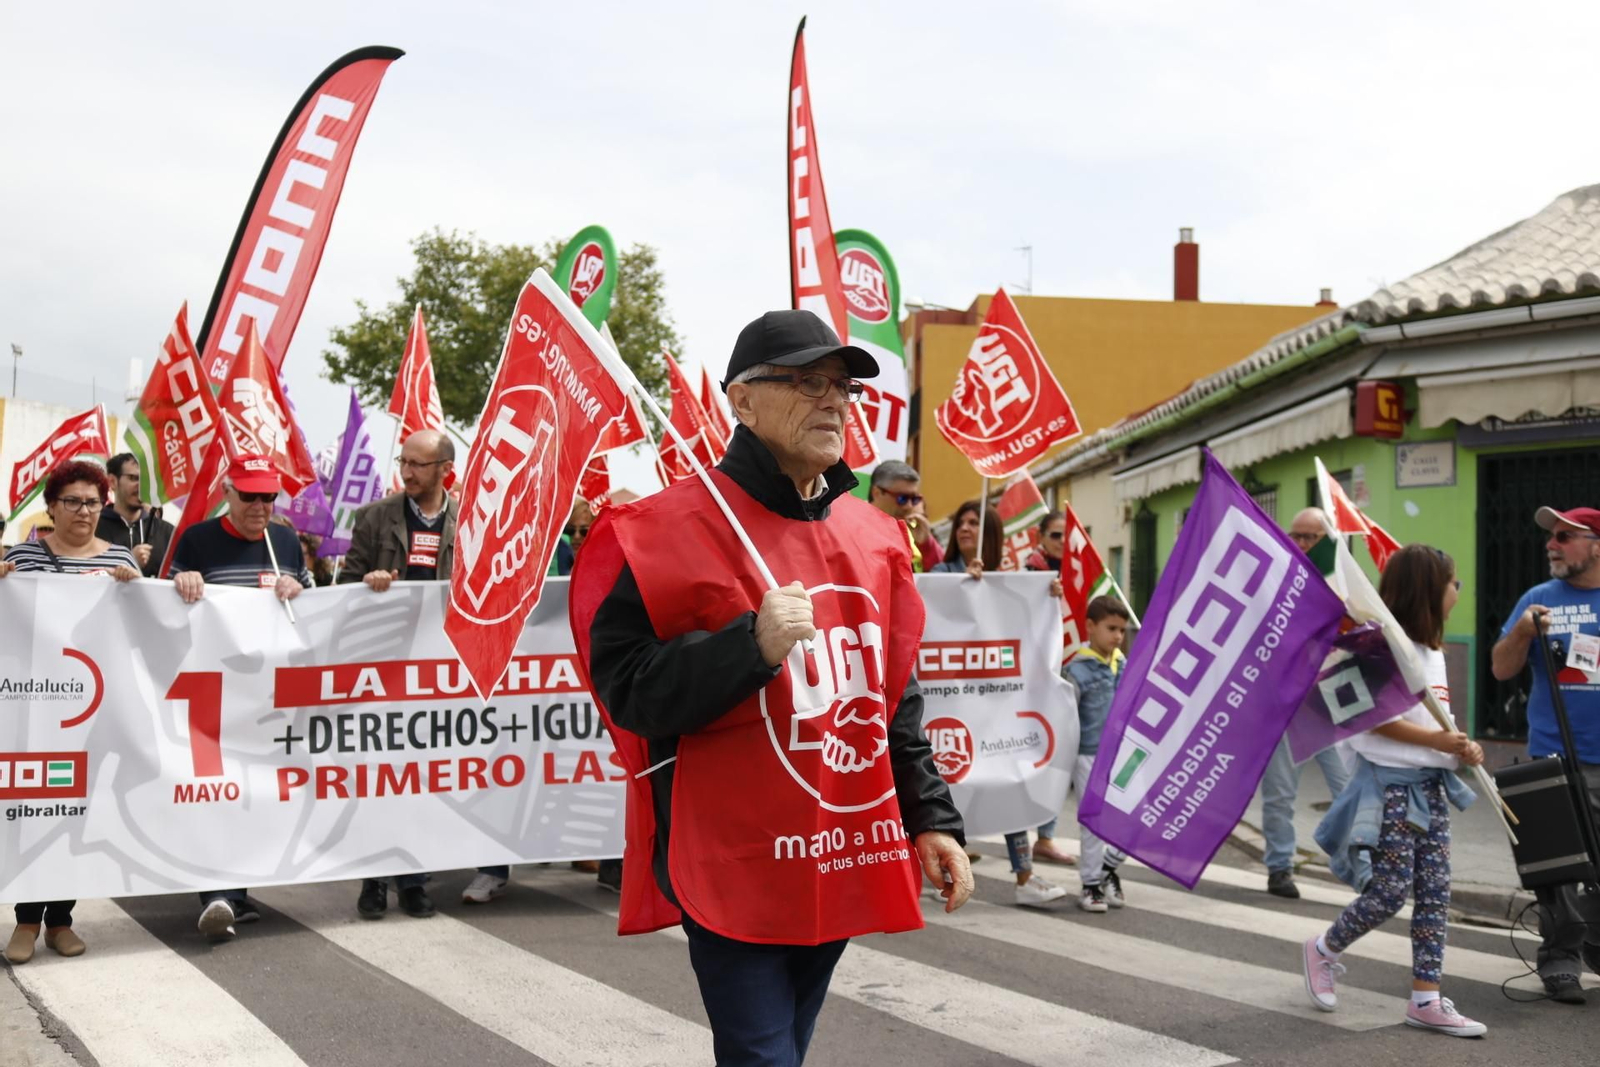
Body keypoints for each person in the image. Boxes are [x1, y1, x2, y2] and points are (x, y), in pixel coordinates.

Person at [574, 309, 971, 1067]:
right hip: (733, 858)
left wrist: (931, 818)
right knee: (763, 1056)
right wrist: (747, 646)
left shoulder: (873, 536)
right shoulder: (659, 529)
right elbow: (628, 691)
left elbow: (891, 697)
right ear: (743, 400)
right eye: (808, 383)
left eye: (843, 387)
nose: (834, 402)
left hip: (839, 847)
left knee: (784, 1047)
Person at [1304, 544, 1487, 1037]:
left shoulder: (1433, 653)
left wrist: (1462, 748)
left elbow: (1437, 722)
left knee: (1435, 895)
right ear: (1429, 590)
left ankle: (1426, 999)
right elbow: (1365, 719)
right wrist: (1437, 742)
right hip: (1391, 791)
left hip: (1432, 787)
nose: (1458, 593)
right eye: (1453, 584)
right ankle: (1322, 949)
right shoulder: (1378, 648)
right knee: (1388, 894)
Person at [1, 461, 140, 965]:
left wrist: (136, 587)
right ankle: (26, 920)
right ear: (52, 506)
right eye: (73, 501)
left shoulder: (120, 557)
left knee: (79, 812)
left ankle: (60, 920)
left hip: (98, 709)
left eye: (93, 503)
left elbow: (143, 628)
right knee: (33, 808)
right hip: (35, 705)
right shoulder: (23, 558)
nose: (84, 511)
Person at [169, 453, 312, 941]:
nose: (261, 506)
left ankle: (237, 894)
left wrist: (299, 587)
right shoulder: (197, 539)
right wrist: (182, 583)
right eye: (250, 495)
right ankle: (217, 894)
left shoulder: (286, 542)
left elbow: (312, 606)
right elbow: (163, 611)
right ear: (227, 493)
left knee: (253, 794)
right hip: (211, 693)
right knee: (214, 790)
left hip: (268, 699)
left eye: (269, 496)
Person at [339, 429, 458, 917]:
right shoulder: (374, 518)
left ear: (445, 470)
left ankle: (413, 880)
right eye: (403, 462)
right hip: (383, 669)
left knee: (425, 776)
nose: (406, 472)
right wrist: (367, 585)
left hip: (440, 672)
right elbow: (343, 588)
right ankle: (373, 880)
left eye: (417, 464)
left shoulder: (470, 521)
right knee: (380, 775)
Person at [930, 499, 1069, 902]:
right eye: (961, 521)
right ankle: (940, 874)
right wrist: (962, 587)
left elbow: (1030, 631)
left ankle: (1025, 878)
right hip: (950, 704)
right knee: (944, 789)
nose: (965, 528)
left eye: (974, 522)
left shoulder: (1009, 581)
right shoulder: (939, 575)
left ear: (990, 533)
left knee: (1010, 785)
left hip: (995, 708)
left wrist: (1047, 597)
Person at [1490, 504, 1600, 1004]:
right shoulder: (1536, 599)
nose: (1551, 544)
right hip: (1553, 759)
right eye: (1551, 537)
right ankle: (1560, 961)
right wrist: (1521, 632)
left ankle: (1593, 944)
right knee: (1557, 870)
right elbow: (1500, 669)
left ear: (1596, 546)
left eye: (1565, 536)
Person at [1260, 507, 1353, 899]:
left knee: (1348, 788)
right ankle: (1279, 867)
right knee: (1280, 793)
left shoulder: (1345, 581)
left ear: (1326, 541)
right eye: (1294, 536)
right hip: (1284, 703)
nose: (1299, 544)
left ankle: (1356, 864)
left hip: (1331, 700)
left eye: (1309, 537)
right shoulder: (1274, 580)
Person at [1018, 510, 1077, 869]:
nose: (1062, 542)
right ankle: (1018, 841)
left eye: (1067, 536)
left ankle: (1046, 837)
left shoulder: (1082, 574)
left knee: (1059, 756)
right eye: (1056, 535)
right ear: (1040, 537)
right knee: (1024, 757)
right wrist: (1044, 596)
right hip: (1030, 682)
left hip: (1070, 676)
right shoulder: (1027, 574)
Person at [1065, 597, 1133, 912]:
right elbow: (1067, 719)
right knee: (1093, 822)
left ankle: (1107, 869)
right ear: (1090, 626)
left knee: (1133, 817)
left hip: (1126, 755)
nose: (1118, 636)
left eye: (1122, 630)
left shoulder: (1126, 664)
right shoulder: (1076, 671)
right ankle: (1091, 884)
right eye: (1111, 628)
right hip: (1089, 756)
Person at [95, 452, 174, 577]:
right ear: (112, 481)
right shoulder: (94, 527)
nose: (141, 486)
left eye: (146, 480)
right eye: (133, 478)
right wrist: (129, 560)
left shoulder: (167, 532)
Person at [867, 459, 941, 571]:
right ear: (877, 493)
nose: (909, 506)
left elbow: (941, 574)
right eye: (902, 498)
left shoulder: (914, 531)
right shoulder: (856, 527)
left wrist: (926, 544)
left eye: (914, 499)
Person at [931, 499, 999, 579]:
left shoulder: (1002, 578)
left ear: (989, 532)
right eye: (959, 524)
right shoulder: (940, 573)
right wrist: (964, 580)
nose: (963, 528)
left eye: (973, 523)